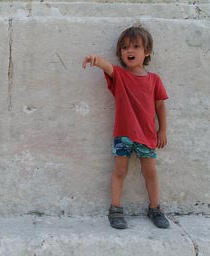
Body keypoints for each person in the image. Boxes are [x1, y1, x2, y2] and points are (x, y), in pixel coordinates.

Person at [82, 26, 170, 229]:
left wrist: (162, 130)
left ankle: (155, 209)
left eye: (136, 46)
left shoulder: (154, 80)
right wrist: (96, 59)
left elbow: (160, 106)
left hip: (147, 135)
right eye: (125, 47)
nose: (129, 51)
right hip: (123, 136)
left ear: (147, 52)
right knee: (119, 171)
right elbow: (108, 67)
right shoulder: (120, 76)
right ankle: (115, 209)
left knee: (150, 173)